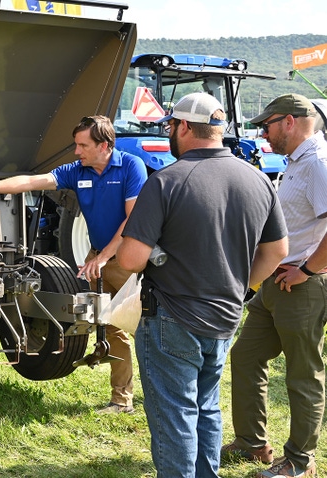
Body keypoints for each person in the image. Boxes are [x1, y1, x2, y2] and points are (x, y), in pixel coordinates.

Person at [116, 92, 288, 477]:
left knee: (175, 413)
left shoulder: (166, 181)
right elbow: (277, 250)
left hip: (172, 318)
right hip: (226, 315)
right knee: (206, 407)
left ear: (183, 127)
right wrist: (241, 287)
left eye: (171, 126)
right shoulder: (258, 179)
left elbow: (129, 260)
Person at [0, 115, 147, 414]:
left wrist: (104, 256)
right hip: (98, 257)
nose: (76, 151)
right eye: (76, 144)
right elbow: (32, 181)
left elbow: (133, 219)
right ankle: (122, 400)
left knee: (145, 329)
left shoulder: (132, 166)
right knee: (111, 327)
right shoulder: (77, 170)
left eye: (83, 145)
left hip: (128, 259)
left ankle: (167, 395)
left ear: (104, 146)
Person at [222, 93, 327, 478]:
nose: (263, 134)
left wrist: (309, 271)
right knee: (246, 356)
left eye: (267, 125)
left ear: (290, 121)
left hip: (300, 284)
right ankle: (251, 443)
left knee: (303, 373)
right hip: (276, 281)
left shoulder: (317, 162)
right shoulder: (299, 162)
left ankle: (300, 462)